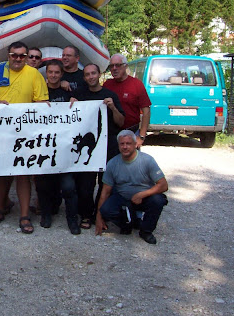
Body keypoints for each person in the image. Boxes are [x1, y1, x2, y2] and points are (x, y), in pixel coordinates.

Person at [0, 41, 49, 234]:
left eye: (22, 55)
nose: (18, 58)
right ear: (8, 55)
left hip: (25, 133)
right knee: (0, 173)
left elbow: (43, 103)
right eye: (14, 55)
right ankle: (0, 208)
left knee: (23, 174)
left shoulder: (34, 74)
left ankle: (24, 215)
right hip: (0, 131)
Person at [95, 130, 168, 245]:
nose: (125, 147)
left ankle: (146, 231)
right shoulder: (112, 164)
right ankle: (129, 224)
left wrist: (142, 195)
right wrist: (99, 217)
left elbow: (163, 185)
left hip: (144, 197)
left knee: (158, 200)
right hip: (123, 198)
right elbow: (105, 192)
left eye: (128, 143)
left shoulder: (147, 160)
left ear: (135, 144)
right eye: (122, 144)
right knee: (106, 210)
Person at [75, 63, 125, 228]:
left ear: (99, 75)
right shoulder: (80, 95)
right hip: (88, 144)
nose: (91, 77)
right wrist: (71, 104)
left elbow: (121, 122)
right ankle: (86, 215)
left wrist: (113, 108)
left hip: (108, 143)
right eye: (87, 74)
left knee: (106, 182)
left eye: (93, 73)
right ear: (84, 78)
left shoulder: (110, 95)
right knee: (86, 183)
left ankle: (101, 213)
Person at [34, 59, 81, 234]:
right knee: (43, 184)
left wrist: (76, 102)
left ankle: (72, 220)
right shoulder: (39, 92)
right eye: (50, 72)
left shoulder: (68, 92)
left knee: (68, 186)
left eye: (57, 72)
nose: (53, 75)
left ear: (62, 74)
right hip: (44, 146)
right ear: (46, 73)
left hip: (65, 147)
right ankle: (46, 214)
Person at [103, 54, 151, 149]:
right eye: (111, 66)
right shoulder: (107, 85)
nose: (114, 68)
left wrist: (141, 136)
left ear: (125, 66)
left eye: (118, 65)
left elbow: (146, 112)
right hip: (111, 135)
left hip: (131, 133)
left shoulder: (136, 84)